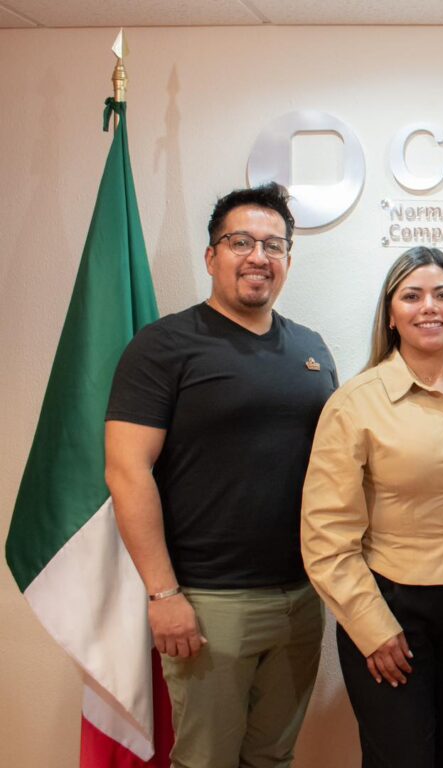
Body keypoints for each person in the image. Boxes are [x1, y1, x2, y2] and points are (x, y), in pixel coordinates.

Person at [104, 183, 337, 768]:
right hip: (209, 602)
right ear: (211, 256)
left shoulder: (312, 350)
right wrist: (163, 594)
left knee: (273, 757)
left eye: (273, 245)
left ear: (288, 259)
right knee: (205, 760)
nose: (258, 256)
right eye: (240, 242)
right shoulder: (163, 347)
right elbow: (127, 470)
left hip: (301, 597)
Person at [301, 246, 443, 768]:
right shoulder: (354, 403)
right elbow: (326, 536)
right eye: (412, 295)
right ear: (391, 314)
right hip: (390, 607)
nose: (430, 307)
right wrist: (372, 627)